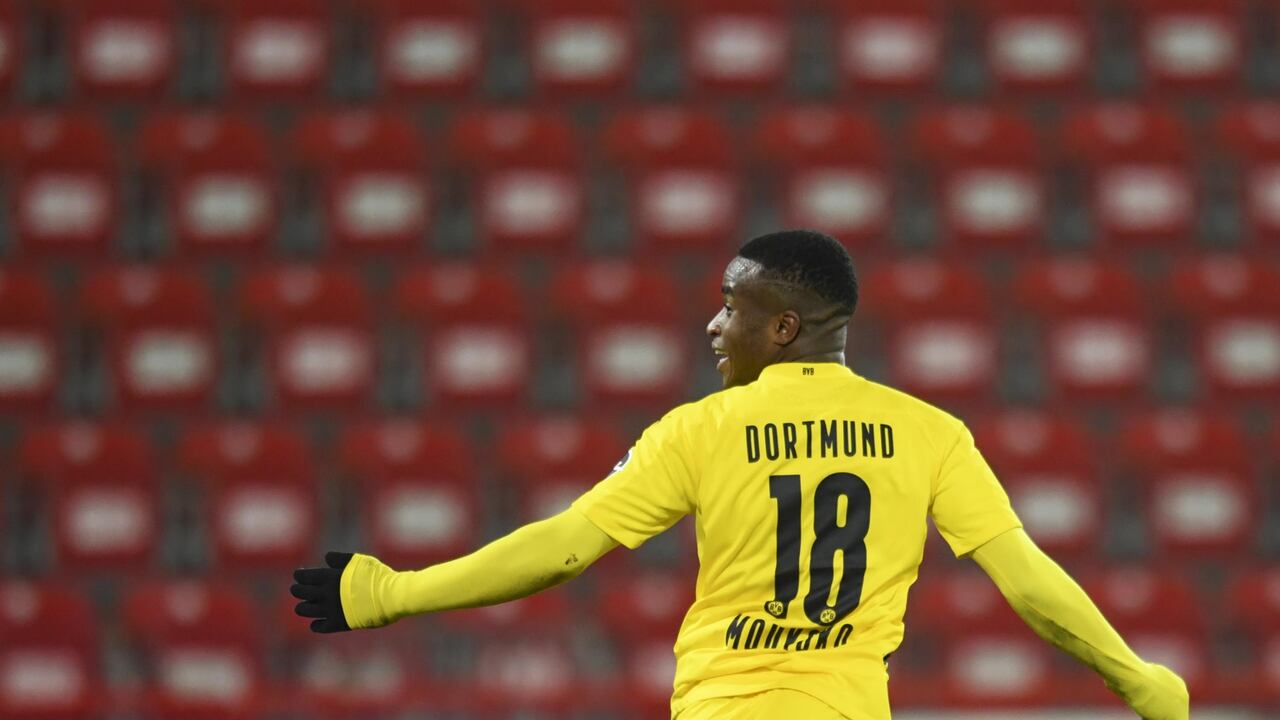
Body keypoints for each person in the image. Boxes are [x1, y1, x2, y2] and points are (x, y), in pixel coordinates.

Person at [292, 230, 1189, 720]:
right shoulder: (931, 435)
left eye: (732, 306)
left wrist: (393, 594)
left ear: (785, 328)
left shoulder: (702, 430)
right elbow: (1026, 581)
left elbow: (564, 549)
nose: (714, 326)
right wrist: (1136, 679)